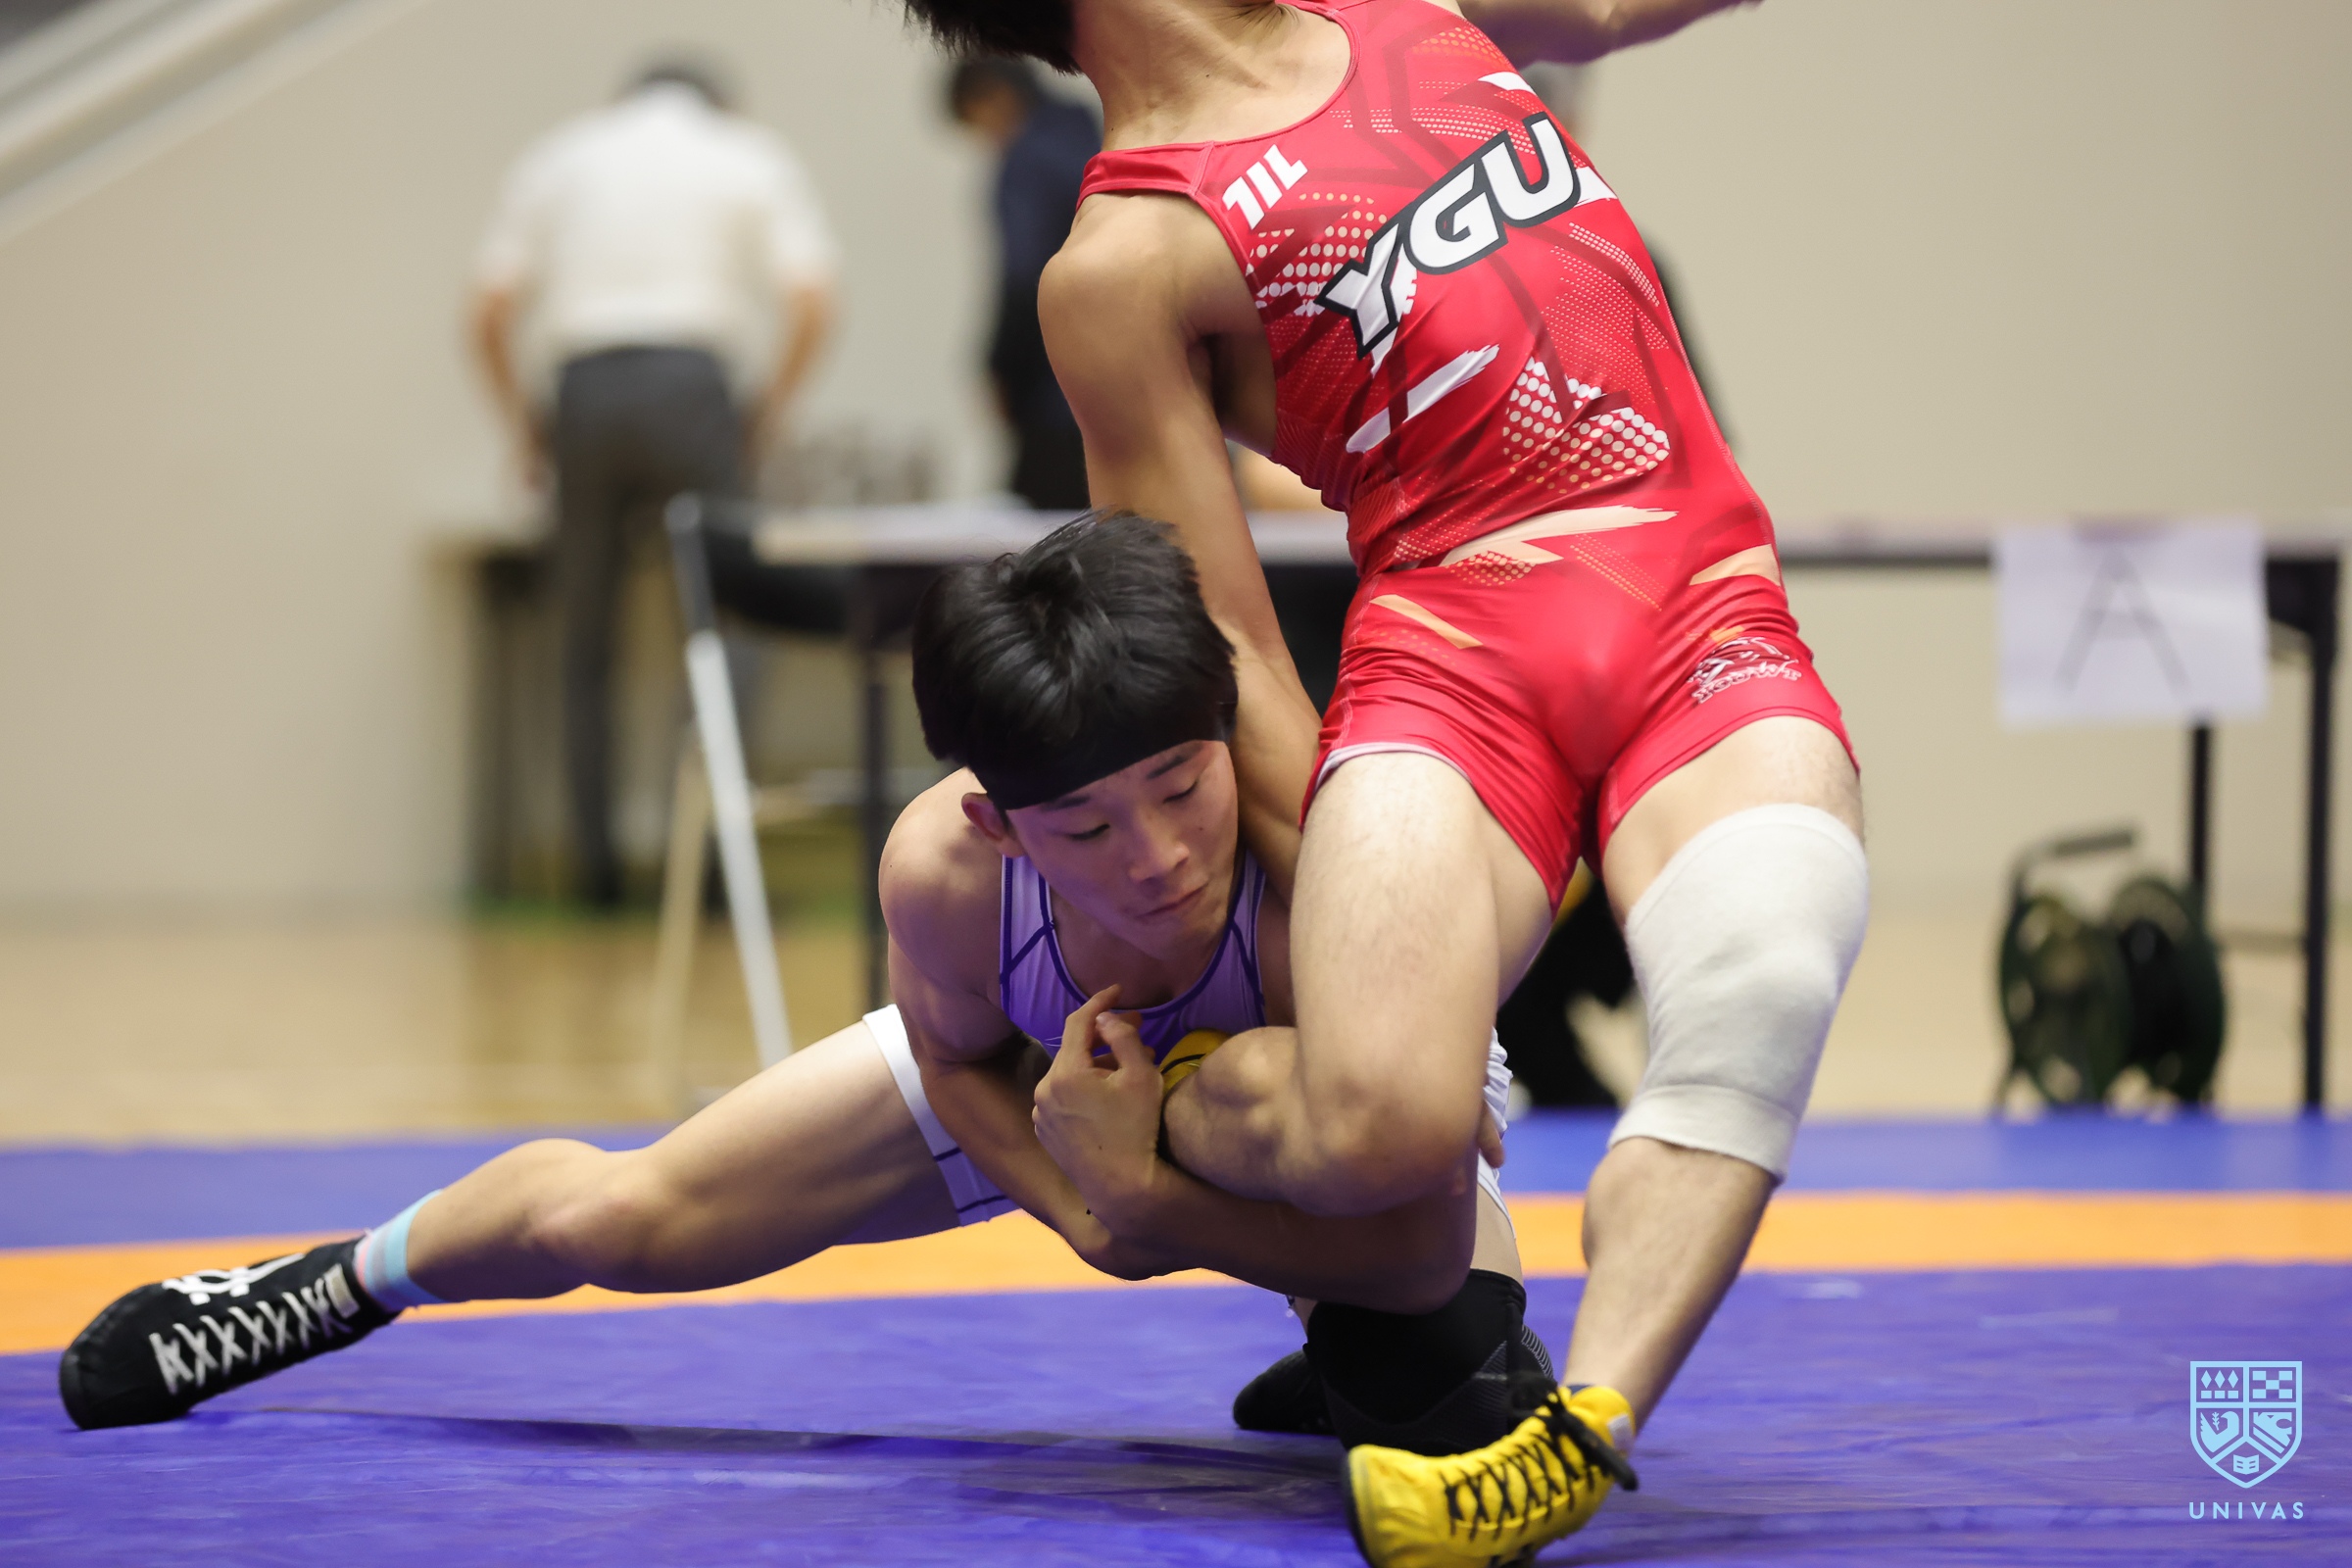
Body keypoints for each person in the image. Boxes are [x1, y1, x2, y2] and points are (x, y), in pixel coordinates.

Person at [895, 0, 1870, 1563]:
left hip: (1701, 602)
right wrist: (1363, 934)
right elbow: (1217, 640)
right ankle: (1183, 1098)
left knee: (1766, 965)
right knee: (1384, 1127)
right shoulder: (1124, 261)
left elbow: (1601, 12)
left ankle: (1577, 1439)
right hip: (1454, 663)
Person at [58, 514, 1550, 1467]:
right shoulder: (947, 874)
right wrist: (1080, 1198)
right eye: (1087, 829)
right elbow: (956, 1059)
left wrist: (1143, 1209)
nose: (1159, 858)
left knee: (1449, 1383)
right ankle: (329, 1285)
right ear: (1000, 824)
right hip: (1047, 1082)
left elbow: (1415, 1242)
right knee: (616, 1221)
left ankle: (1344, 1347)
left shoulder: (1320, 878)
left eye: (1181, 785)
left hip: (1317, 1100)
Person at [472, 59, 838, 906]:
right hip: (694, 386)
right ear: (720, 102)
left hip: (582, 392)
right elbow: (814, 300)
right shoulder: (745, 153)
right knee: (723, 627)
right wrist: (762, 414)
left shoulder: (562, 154)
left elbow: (486, 312)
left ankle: (592, 872)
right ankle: (705, 867)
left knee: (582, 640)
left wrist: (526, 428)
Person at [946, 59, 1102, 510]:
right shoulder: (1094, 135)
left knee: (1055, 534)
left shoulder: (1025, 162)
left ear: (993, 97)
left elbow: (1023, 275)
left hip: (1055, 394)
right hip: (1132, 378)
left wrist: (1000, 370)